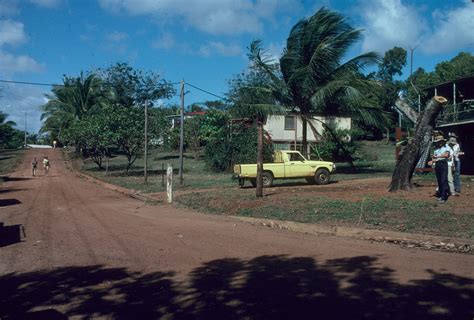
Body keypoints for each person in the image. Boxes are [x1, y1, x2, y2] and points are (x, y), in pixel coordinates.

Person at [428, 135, 450, 203]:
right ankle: (441, 195)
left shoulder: (446, 148)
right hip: (438, 165)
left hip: (443, 164)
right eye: (438, 142)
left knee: (443, 180)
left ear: (442, 142)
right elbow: (435, 158)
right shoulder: (436, 150)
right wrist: (432, 161)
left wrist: (437, 156)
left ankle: (444, 197)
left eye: (440, 141)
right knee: (439, 181)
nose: (439, 143)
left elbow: (446, 155)